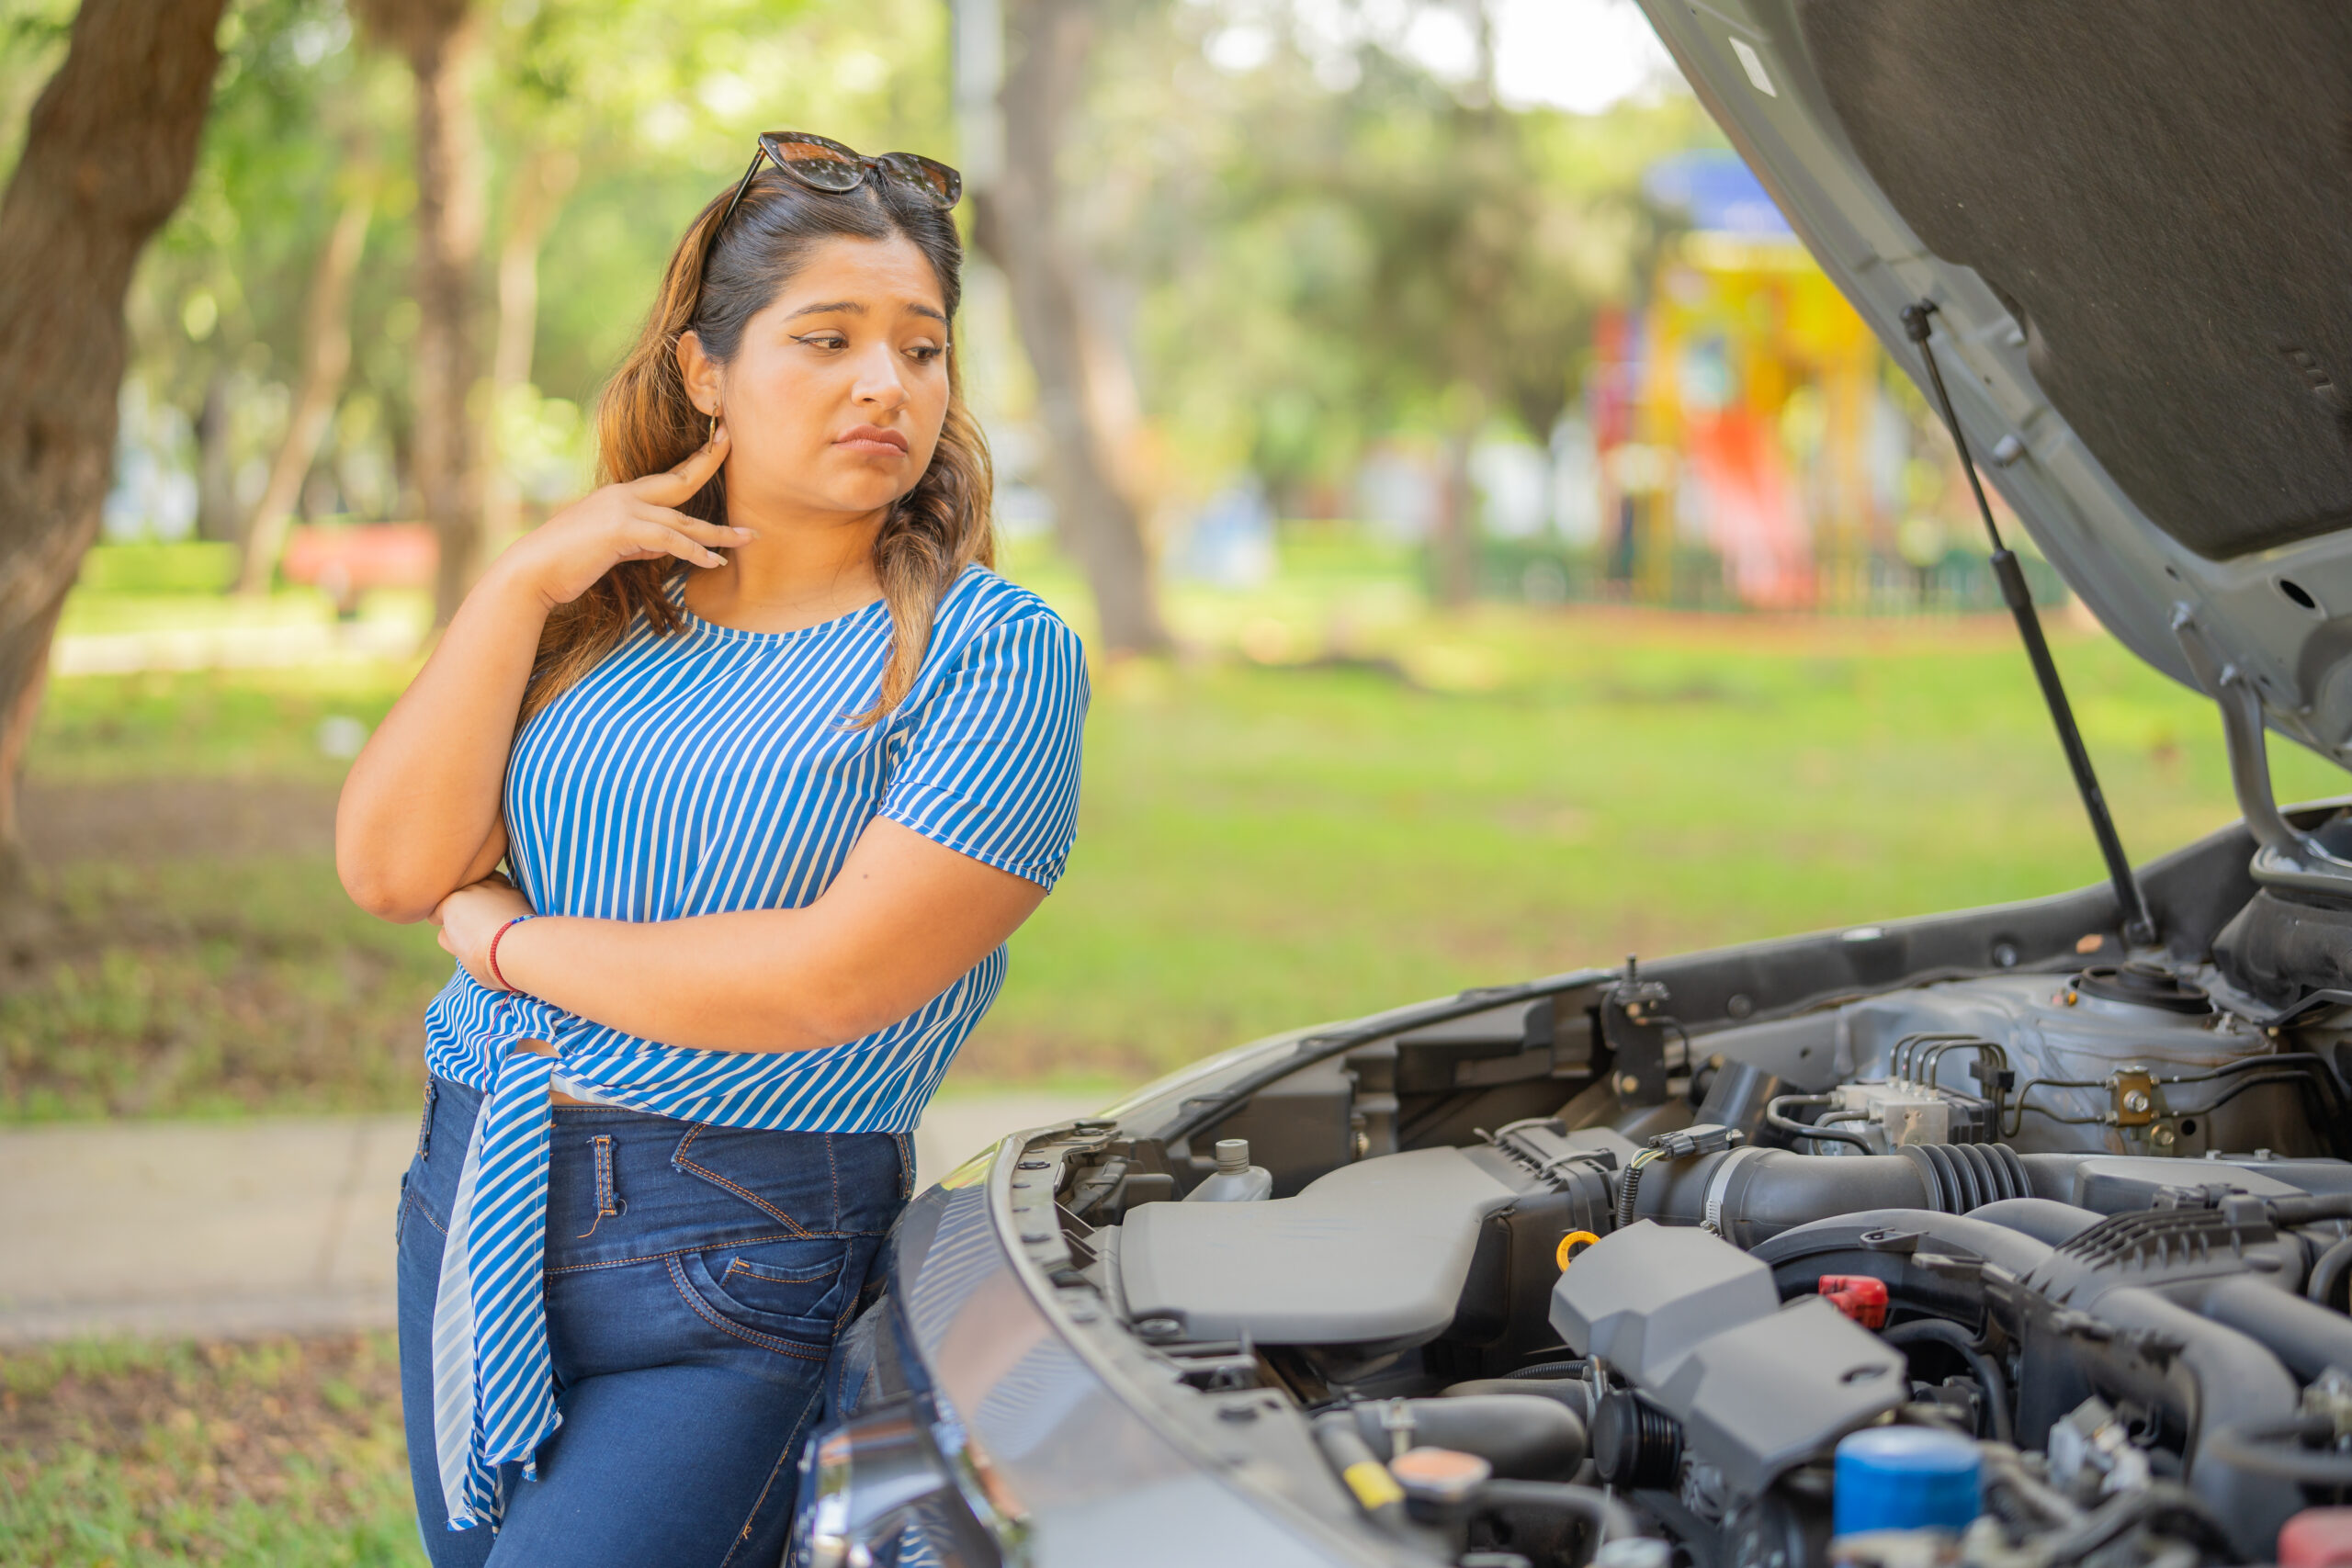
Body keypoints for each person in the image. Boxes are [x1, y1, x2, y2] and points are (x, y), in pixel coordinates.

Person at [335, 131, 1088, 1568]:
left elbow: (828, 984)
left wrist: (504, 942)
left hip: (744, 1241)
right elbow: (385, 866)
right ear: (704, 371)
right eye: (829, 338)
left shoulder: (993, 654)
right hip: (474, 1179)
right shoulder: (598, 619)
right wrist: (519, 582)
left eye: (922, 349)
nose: (889, 384)